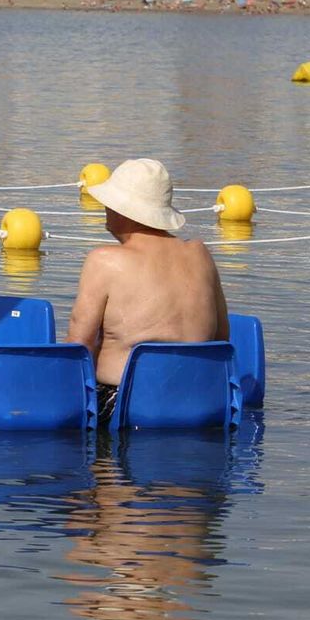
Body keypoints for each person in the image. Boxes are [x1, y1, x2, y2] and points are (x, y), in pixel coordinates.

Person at [67, 157, 229, 423]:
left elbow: (77, 347)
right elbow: (222, 338)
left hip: (124, 408)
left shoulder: (104, 261)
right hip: (201, 404)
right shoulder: (201, 255)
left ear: (123, 210)